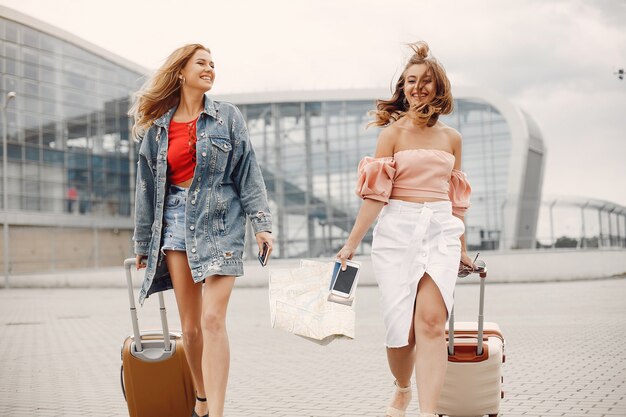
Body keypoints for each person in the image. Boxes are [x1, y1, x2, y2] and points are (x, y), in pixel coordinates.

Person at [129, 44, 273, 417]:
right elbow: (146, 190)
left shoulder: (227, 117)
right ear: (181, 72)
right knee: (191, 329)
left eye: (213, 64)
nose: (210, 69)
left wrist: (261, 224)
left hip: (223, 224)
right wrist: (144, 242)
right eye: (202, 63)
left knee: (212, 320)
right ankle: (202, 400)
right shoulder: (158, 130)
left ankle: (218, 412)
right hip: (174, 225)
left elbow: (247, 172)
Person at [336, 41, 474, 417]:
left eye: (426, 80)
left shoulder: (452, 138)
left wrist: (461, 248)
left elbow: (455, 200)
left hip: (440, 231)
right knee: (402, 332)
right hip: (397, 231)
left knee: (431, 322)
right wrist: (351, 244)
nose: (418, 87)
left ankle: (429, 413)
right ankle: (402, 387)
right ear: (403, 88)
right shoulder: (392, 135)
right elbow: (376, 196)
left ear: (438, 87)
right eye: (411, 80)